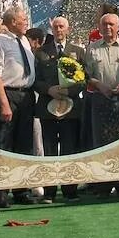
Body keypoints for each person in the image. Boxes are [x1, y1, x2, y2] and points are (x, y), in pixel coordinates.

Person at [84, 12, 119, 196]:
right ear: (99, 28)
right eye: (104, 24)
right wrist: (99, 85)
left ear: (118, 27)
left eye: (111, 24)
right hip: (100, 99)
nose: (108, 27)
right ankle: (103, 185)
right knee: (100, 142)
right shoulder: (91, 49)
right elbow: (86, 75)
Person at [0, 4, 37, 208]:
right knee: (3, 145)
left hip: (25, 96)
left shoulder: (24, 40)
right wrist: (4, 104)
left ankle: (21, 190)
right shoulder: (0, 41)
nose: (26, 22)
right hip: (8, 95)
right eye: (23, 19)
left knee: (23, 144)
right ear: (12, 22)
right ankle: (0, 193)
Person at [32, 16, 85, 202]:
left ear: (68, 29)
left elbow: (83, 79)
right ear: (51, 30)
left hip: (71, 109)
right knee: (49, 150)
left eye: (62, 26)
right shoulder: (40, 53)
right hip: (48, 108)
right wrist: (49, 90)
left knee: (70, 149)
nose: (59, 30)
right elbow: (35, 80)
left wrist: (68, 90)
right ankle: (50, 192)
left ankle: (70, 190)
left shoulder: (78, 51)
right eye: (55, 27)